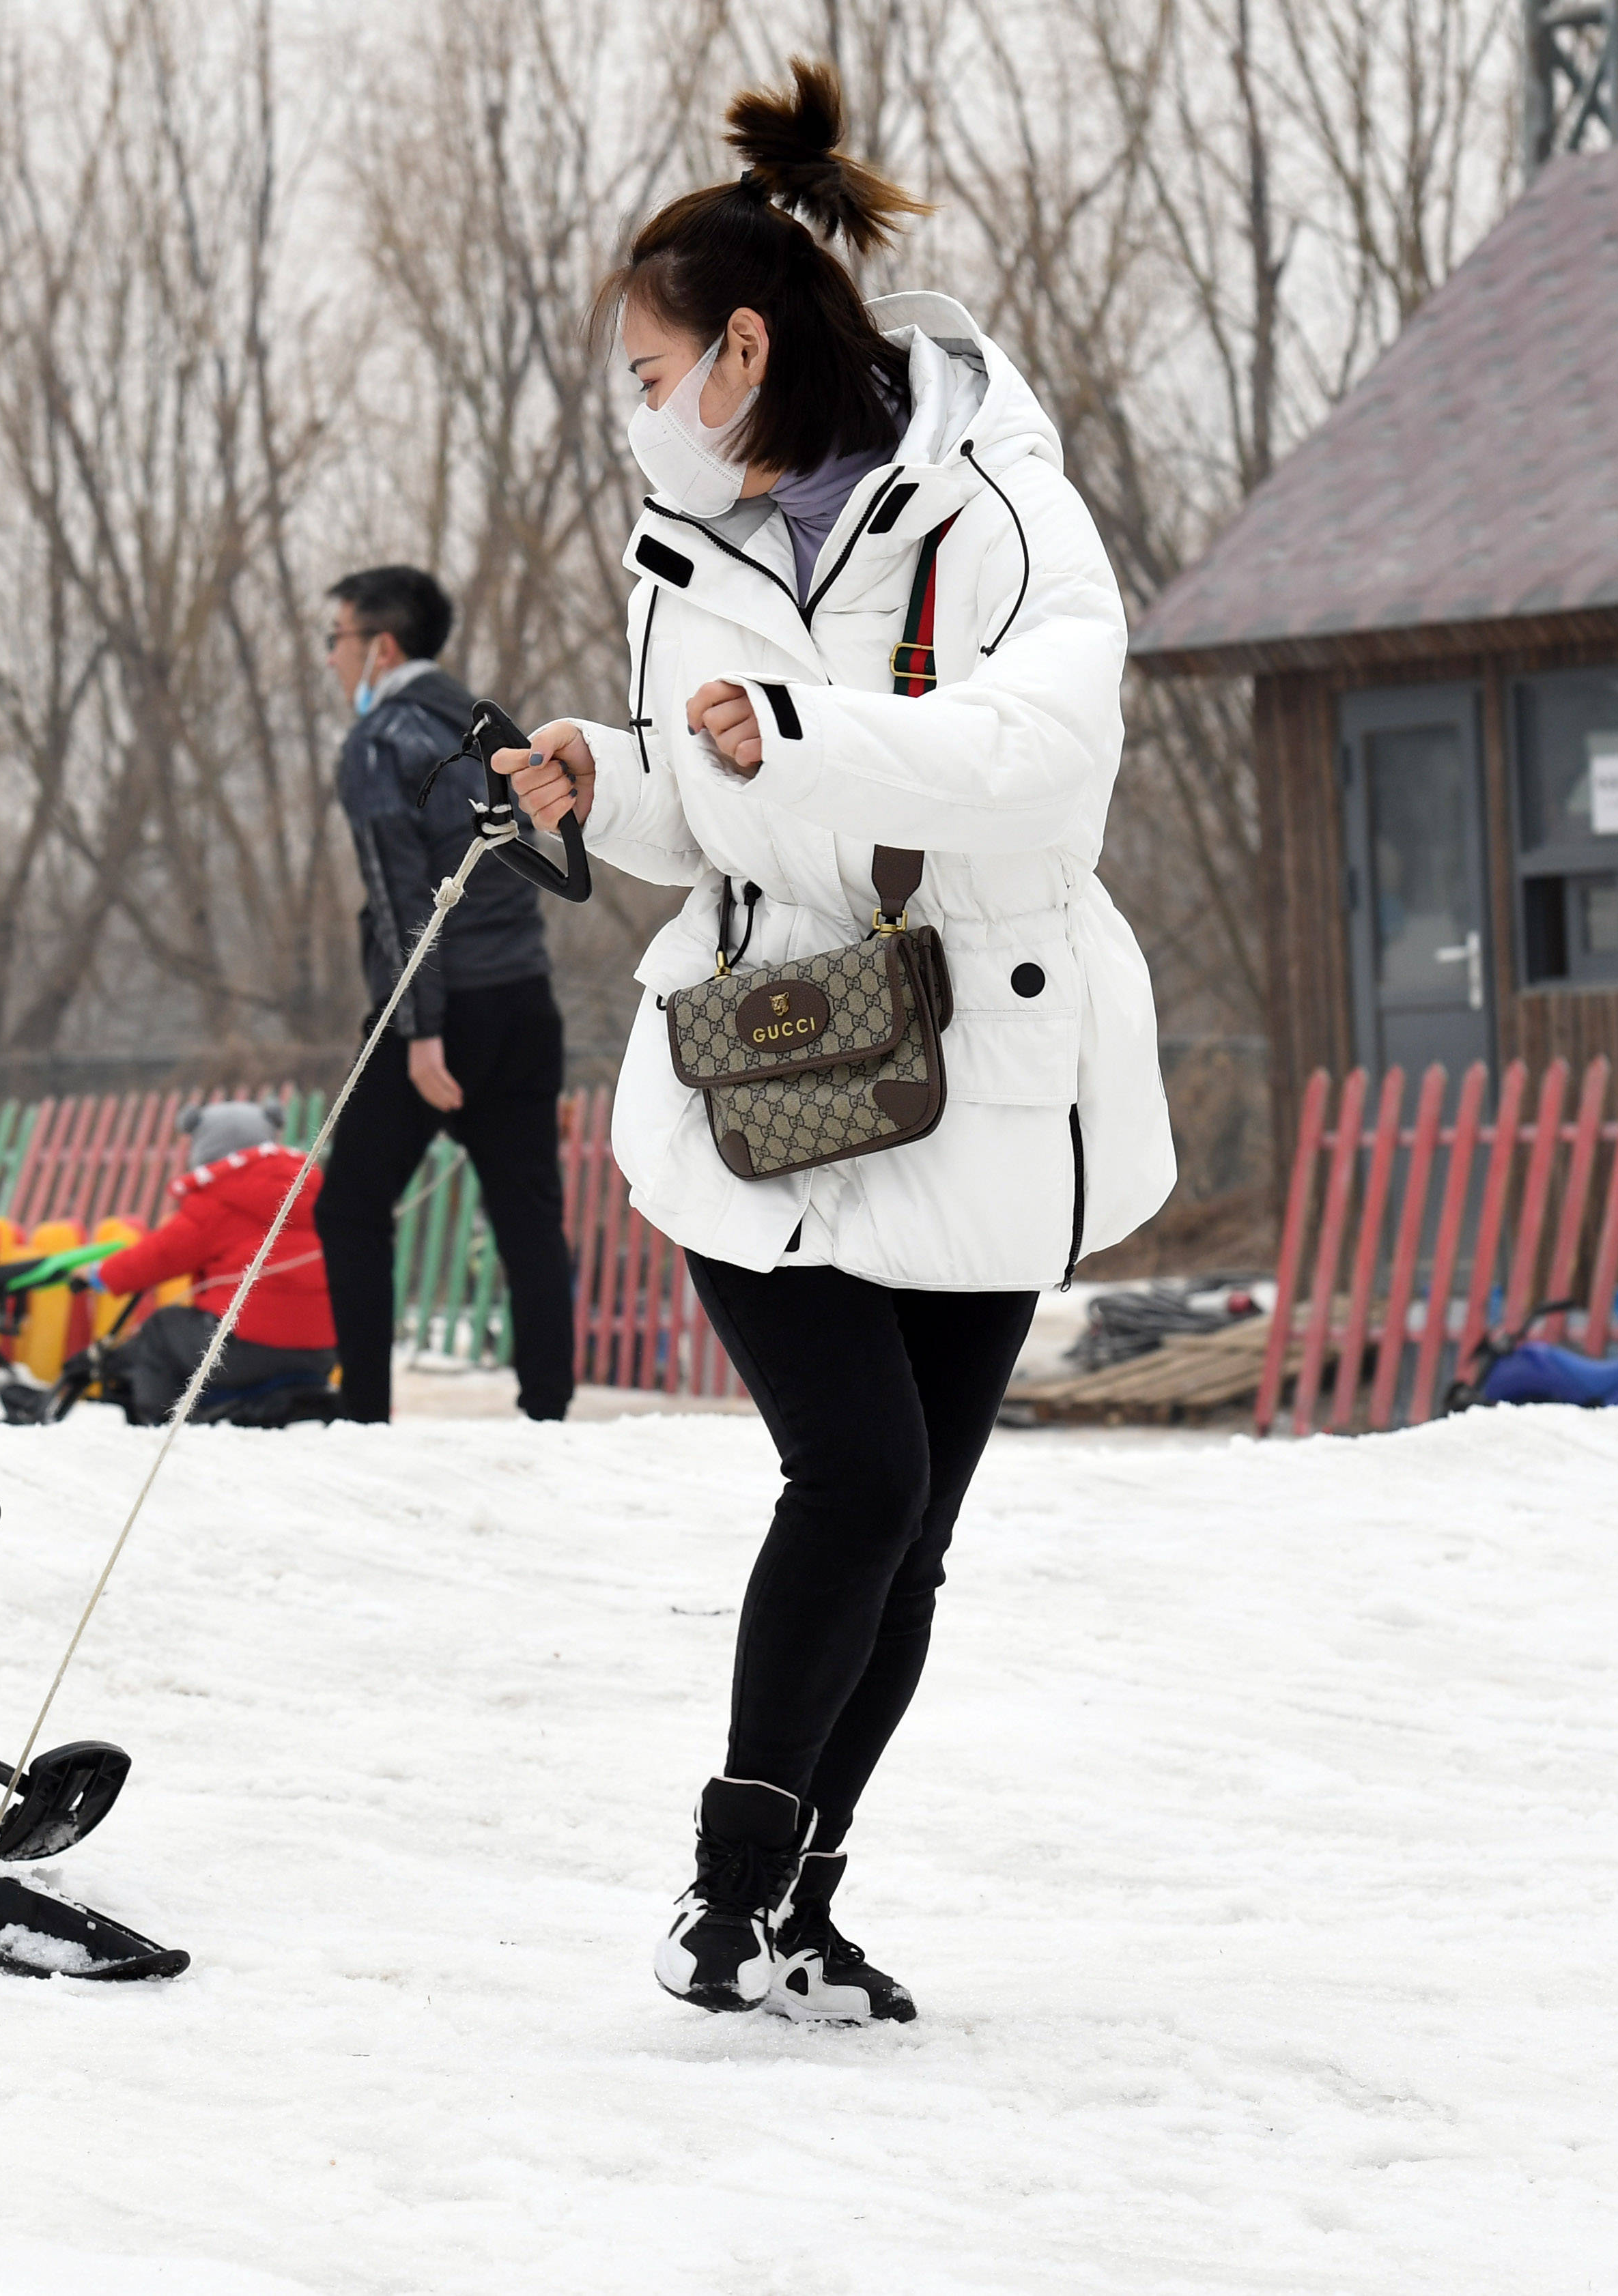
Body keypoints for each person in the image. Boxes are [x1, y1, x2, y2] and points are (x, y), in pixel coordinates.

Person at [498, 63, 1174, 2022]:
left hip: (980, 1057)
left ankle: (800, 1901)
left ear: (748, 348)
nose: (637, 413)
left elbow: (1050, 748)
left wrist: (797, 738)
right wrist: (596, 781)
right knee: (857, 1481)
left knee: (916, 1531)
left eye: (650, 373)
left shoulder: (1007, 511)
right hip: (769, 1062)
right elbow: (701, 807)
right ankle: (726, 1896)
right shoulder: (683, 541)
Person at [313, 564, 577, 1425]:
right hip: (523, 1000)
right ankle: (548, 1412)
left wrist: (420, 1033)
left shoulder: (380, 742)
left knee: (351, 1208)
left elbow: (400, 901)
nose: (332, 660)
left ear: (380, 645)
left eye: (337, 640)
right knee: (528, 1212)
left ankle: (364, 1417)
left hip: (437, 1008)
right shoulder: (486, 726)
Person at [81, 1102, 337, 1423]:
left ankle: (160, 1426)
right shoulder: (314, 1189)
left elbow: (160, 1255)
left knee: (162, 1329)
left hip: (247, 1348)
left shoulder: (221, 1194)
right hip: (322, 1350)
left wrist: (102, 1275)